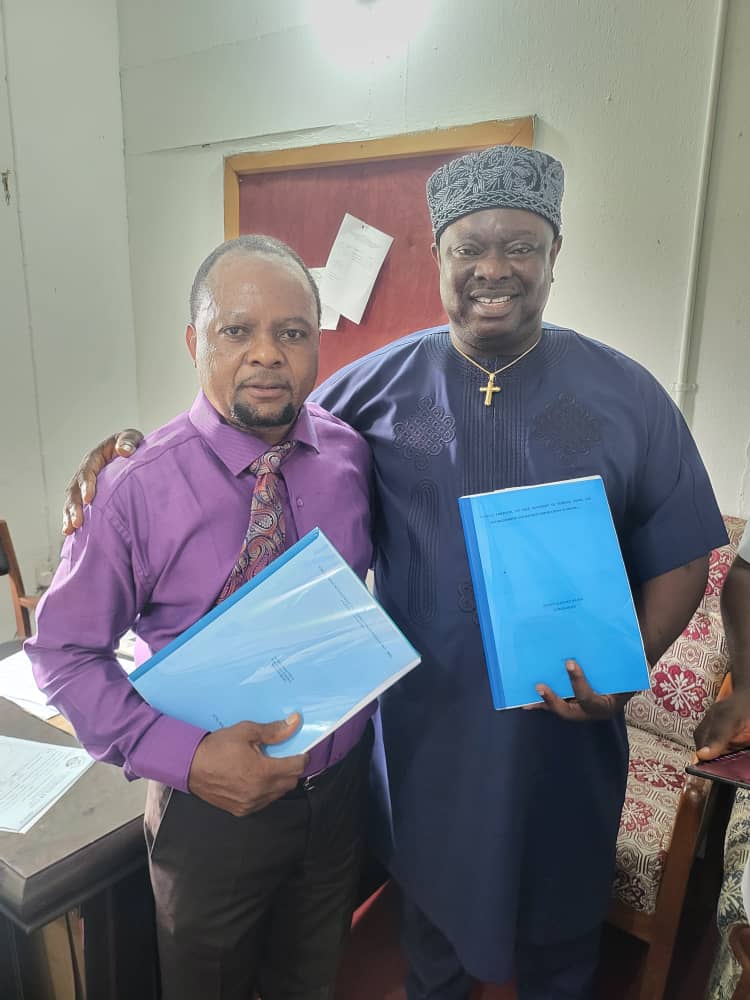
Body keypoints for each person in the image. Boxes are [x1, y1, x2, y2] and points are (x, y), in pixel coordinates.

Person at [61, 147, 727, 1000]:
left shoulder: (627, 395)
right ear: (439, 254)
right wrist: (126, 452)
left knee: (562, 947)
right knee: (429, 941)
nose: (494, 269)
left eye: (521, 246)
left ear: (555, 254)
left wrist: (627, 666)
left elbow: (684, 548)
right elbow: (253, 426)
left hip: (565, 739)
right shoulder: (373, 390)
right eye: (469, 247)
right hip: (423, 740)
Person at [28, 235, 375, 1000]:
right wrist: (185, 759)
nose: (267, 354)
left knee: (312, 983)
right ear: (195, 343)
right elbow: (63, 654)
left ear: (317, 344)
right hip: (208, 812)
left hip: (338, 796)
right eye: (236, 330)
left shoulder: (352, 457)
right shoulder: (132, 489)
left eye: (291, 332)